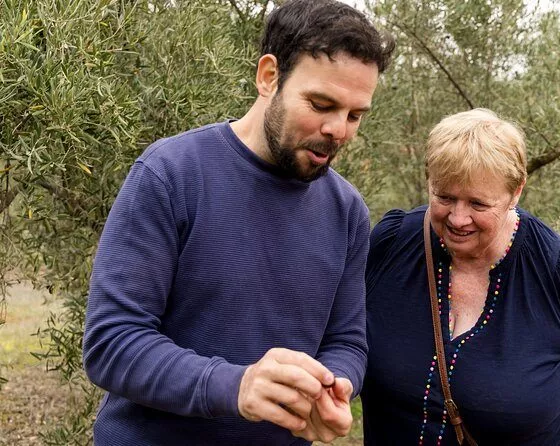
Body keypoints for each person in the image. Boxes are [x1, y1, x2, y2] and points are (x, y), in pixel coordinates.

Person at [82, 1, 394, 444]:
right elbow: (111, 343)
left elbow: (346, 341)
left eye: (355, 115)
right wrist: (235, 386)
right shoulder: (171, 174)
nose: (338, 129)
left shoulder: (347, 211)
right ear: (269, 77)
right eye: (321, 104)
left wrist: (335, 384)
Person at [361, 109, 560, 445]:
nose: (458, 218)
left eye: (478, 203)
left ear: (516, 192)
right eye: (444, 197)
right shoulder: (391, 245)